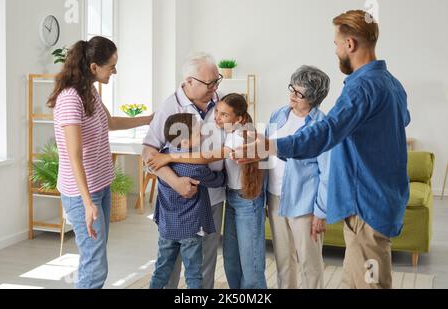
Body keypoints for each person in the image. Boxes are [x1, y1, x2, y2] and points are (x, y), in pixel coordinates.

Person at [233, 10, 410, 289]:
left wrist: (269, 146)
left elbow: (325, 133)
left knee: (368, 283)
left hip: (368, 207)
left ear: (349, 44)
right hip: (377, 203)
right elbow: (399, 122)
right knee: (357, 281)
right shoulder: (390, 83)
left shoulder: (362, 87)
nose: (336, 50)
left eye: (336, 44)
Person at [47, 36, 154, 289]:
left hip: (101, 185)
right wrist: (87, 203)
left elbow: (111, 123)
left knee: (95, 256)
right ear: (94, 67)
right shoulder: (70, 98)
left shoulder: (89, 92)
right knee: (95, 266)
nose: (114, 71)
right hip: (82, 194)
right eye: (111, 66)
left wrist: (148, 119)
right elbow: (73, 155)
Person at [147, 93, 267, 289]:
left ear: (239, 118)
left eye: (223, 115)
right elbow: (216, 177)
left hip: (244, 199)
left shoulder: (239, 135)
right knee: (220, 262)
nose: (217, 118)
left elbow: (209, 156)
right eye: (217, 112)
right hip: (225, 201)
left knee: (249, 260)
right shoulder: (228, 133)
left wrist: (168, 158)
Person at [142, 53, 226, 289]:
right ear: (189, 81)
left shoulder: (221, 103)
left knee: (205, 263)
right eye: (209, 83)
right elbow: (149, 153)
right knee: (171, 262)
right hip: (176, 202)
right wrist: (177, 182)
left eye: (216, 81)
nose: (214, 87)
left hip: (212, 201)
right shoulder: (170, 106)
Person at [266, 65, 330, 289]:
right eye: (292, 88)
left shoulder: (321, 126)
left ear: (313, 98)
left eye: (299, 93)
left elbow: (327, 174)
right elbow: (267, 156)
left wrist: (320, 213)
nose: (292, 95)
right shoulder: (278, 114)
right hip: (275, 198)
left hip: (304, 204)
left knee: (310, 264)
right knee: (283, 261)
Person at [149, 113, 226, 289]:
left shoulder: (162, 157)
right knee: (193, 273)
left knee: (161, 269)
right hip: (190, 229)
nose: (203, 135)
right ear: (185, 142)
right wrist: (224, 172)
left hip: (167, 227)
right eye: (199, 133)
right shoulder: (196, 167)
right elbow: (218, 180)